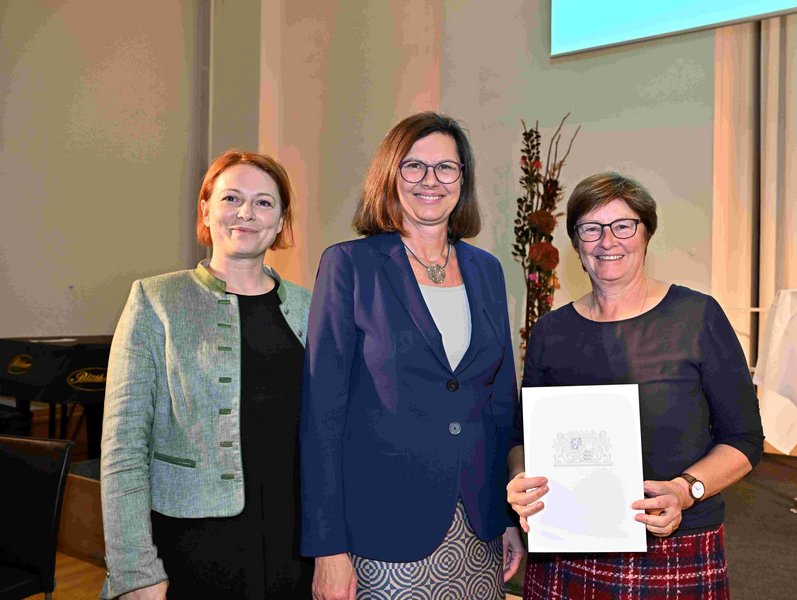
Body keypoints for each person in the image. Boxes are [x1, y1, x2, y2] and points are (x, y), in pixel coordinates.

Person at [507, 172, 764, 599]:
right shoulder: (551, 331)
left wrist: (686, 490)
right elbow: (521, 437)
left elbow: (745, 440)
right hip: (565, 543)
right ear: (576, 243)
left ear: (646, 234)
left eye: (623, 225)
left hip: (669, 545)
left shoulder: (697, 317)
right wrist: (520, 479)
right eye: (591, 228)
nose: (608, 241)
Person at [300, 112, 524, 599]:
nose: (430, 180)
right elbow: (322, 417)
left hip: (477, 524)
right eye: (413, 166)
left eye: (446, 168)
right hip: (381, 530)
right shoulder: (349, 266)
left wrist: (508, 518)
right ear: (389, 174)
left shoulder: (486, 271)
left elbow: (500, 404)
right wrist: (328, 548)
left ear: (462, 181)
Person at [100, 150, 314, 599]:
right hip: (190, 548)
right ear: (206, 210)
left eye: (263, 202)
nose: (245, 213)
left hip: (293, 544)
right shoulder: (155, 300)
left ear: (280, 221)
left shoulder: (312, 307)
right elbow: (123, 449)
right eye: (231, 197)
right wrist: (135, 571)